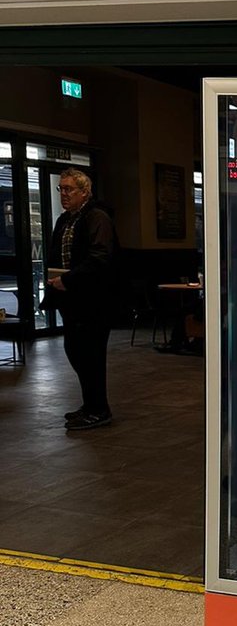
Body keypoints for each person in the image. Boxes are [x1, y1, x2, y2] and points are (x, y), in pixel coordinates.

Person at [43, 168, 118, 430]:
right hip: (71, 299)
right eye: (60, 189)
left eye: (68, 189)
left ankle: (99, 409)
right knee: (75, 351)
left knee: (91, 355)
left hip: (94, 299)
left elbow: (99, 257)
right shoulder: (65, 219)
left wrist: (69, 279)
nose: (63, 194)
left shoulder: (97, 217)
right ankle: (90, 404)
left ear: (84, 192)